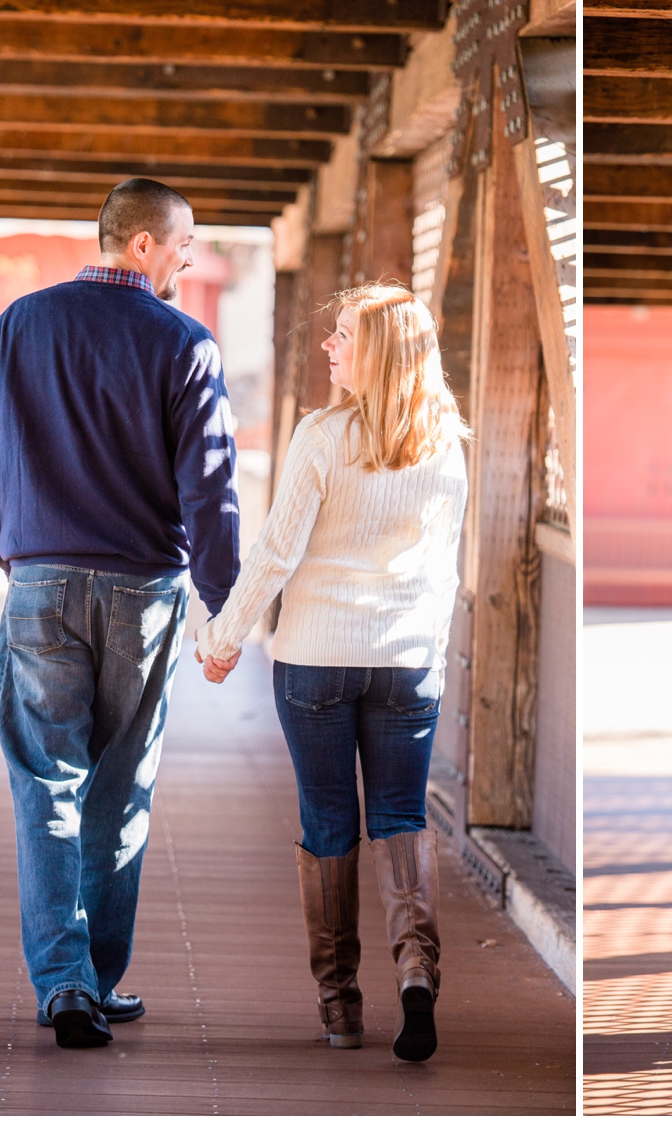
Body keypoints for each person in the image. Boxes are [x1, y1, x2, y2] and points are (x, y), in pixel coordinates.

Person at [0, 179, 239, 1048]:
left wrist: (5, 547)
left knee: (46, 777)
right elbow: (211, 490)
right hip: (141, 593)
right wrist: (223, 605)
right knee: (119, 788)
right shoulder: (187, 345)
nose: (189, 258)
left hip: (39, 580)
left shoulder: (21, 323)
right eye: (184, 242)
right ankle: (99, 975)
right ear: (142, 246)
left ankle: (65, 981)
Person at [194, 282, 469, 1063]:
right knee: (400, 816)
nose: (329, 345)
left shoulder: (323, 434)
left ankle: (340, 1006)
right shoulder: (445, 440)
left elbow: (277, 552)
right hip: (405, 662)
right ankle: (417, 976)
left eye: (344, 334)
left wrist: (223, 638)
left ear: (377, 350)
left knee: (328, 823)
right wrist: (428, 653)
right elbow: (446, 570)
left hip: (315, 657)